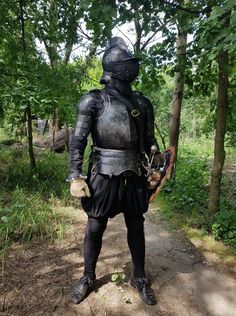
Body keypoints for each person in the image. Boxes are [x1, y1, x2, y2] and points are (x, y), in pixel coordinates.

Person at [67, 37, 162, 306]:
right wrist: (75, 175)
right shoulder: (93, 100)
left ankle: (139, 277)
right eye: (127, 64)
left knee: (136, 225)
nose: (132, 68)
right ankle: (87, 277)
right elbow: (78, 139)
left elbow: (148, 140)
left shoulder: (142, 103)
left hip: (134, 172)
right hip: (103, 172)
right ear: (115, 67)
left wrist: (155, 163)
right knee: (95, 226)